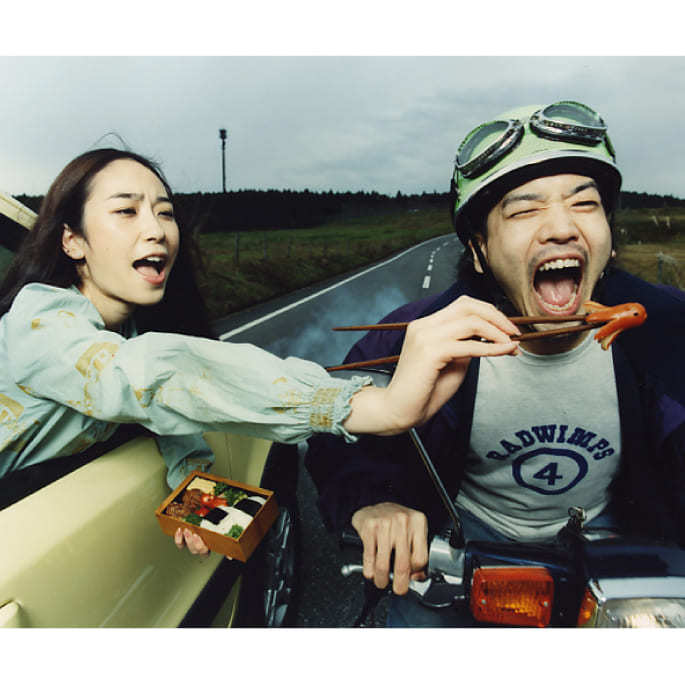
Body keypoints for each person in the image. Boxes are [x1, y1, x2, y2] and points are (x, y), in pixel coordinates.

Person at [0, 147, 521, 556]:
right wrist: (371, 407)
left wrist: (193, 488)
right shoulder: (39, 321)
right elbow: (149, 377)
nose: (156, 230)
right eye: (126, 211)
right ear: (72, 241)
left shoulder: (126, 334)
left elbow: (163, 417)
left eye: (165, 212)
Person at [305, 100, 685, 626]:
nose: (561, 228)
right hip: (465, 545)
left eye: (585, 204)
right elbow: (334, 428)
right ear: (480, 251)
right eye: (525, 210)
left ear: (609, 238)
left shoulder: (664, 329)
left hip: (615, 544)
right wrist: (372, 501)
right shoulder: (418, 334)